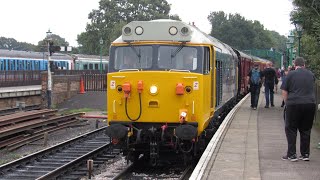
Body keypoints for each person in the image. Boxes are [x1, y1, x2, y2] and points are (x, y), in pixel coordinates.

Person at [281, 57, 316, 161]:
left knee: (291, 128)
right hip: (310, 104)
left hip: (294, 104)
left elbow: (284, 90)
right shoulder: (311, 74)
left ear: (294, 65)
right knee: (306, 129)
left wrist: (287, 103)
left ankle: (292, 155)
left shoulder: (290, 74)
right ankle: (305, 154)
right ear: (304, 65)